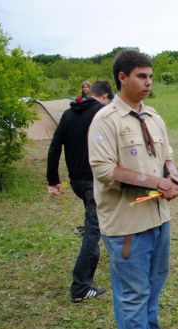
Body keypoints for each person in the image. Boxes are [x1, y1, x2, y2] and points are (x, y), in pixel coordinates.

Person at [88, 49, 178, 329]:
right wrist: (155, 182)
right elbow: (104, 170)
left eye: (151, 76)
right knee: (132, 296)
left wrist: (172, 177)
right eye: (142, 76)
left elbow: (168, 156)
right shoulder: (106, 119)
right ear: (122, 77)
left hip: (158, 219)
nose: (149, 83)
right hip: (127, 224)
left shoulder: (154, 116)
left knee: (154, 286)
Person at [47, 80, 115, 303]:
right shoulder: (102, 114)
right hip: (95, 182)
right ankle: (80, 288)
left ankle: (121, 255)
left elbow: (55, 145)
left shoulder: (68, 114)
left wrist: (53, 180)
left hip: (76, 182)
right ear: (105, 96)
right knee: (92, 232)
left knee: (102, 219)